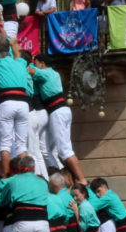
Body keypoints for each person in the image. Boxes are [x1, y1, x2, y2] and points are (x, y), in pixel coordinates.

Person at [30, 54, 86, 185]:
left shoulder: (46, 73)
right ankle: (69, 177)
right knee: (62, 149)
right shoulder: (54, 74)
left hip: (57, 112)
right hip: (62, 111)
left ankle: (82, 180)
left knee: (64, 150)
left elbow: (30, 70)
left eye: (36, 63)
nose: (36, 65)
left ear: (42, 63)